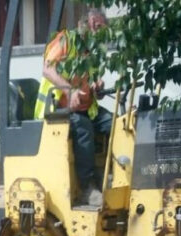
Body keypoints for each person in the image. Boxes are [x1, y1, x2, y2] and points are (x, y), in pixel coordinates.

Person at [34, 9, 111, 207]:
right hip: (60, 110)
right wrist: (70, 92)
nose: (102, 35)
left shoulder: (88, 49)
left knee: (115, 123)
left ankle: (110, 174)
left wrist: (97, 85)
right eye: (101, 28)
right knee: (83, 128)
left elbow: (89, 79)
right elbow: (47, 69)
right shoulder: (65, 41)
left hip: (86, 107)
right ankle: (87, 187)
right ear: (93, 22)